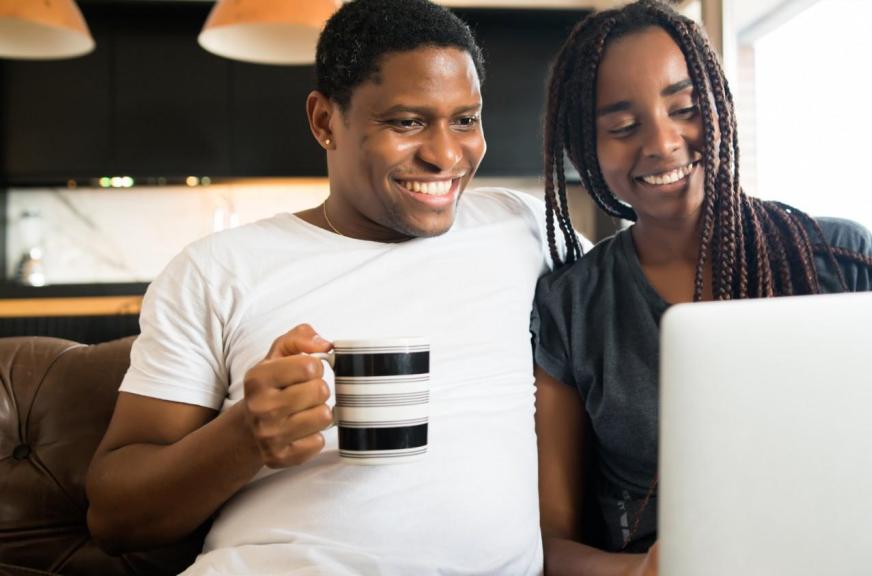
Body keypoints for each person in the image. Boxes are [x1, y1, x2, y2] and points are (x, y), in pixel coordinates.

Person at [85, 0, 551, 573]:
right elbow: (112, 517)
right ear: (325, 121)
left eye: (465, 119)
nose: (446, 155)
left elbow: (648, 278)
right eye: (407, 122)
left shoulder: (523, 228)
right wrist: (242, 438)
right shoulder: (218, 269)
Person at [530, 2, 872, 574]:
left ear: (720, 104)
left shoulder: (840, 259)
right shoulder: (573, 305)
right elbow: (547, 543)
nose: (661, 143)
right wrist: (638, 572)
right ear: (587, 148)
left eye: (684, 108)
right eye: (622, 126)